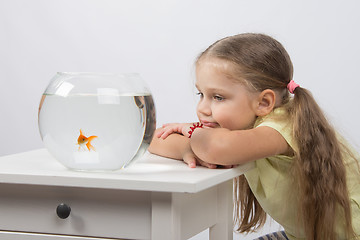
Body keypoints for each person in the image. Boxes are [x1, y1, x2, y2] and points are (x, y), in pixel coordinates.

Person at [148, 33, 360, 240]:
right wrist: (188, 149)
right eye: (200, 94)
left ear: (264, 103)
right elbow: (155, 139)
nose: (202, 108)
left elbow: (216, 148)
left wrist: (193, 136)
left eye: (218, 97)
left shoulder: (281, 126)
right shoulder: (237, 126)